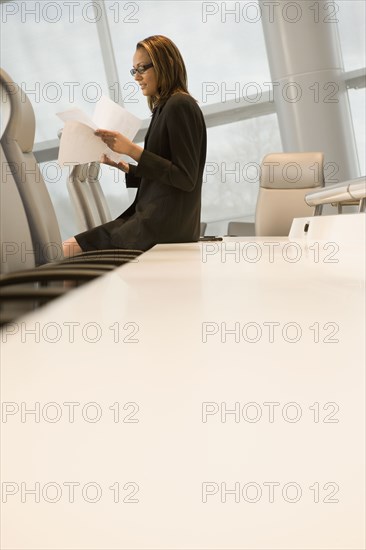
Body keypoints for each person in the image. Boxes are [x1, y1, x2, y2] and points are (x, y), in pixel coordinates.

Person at [63, 35, 207, 257]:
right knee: (70, 249)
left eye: (142, 68)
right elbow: (168, 174)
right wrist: (128, 167)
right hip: (157, 222)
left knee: (68, 249)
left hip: (160, 226)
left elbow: (185, 178)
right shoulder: (165, 108)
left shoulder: (180, 105)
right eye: (134, 71)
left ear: (165, 65)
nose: (137, 77)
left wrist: (131, 150)